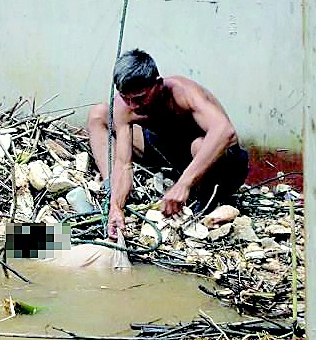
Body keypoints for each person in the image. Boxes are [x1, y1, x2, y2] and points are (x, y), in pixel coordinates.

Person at [87, 49, 249, 240]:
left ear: (158, 85)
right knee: (99, 113)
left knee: (198, 145)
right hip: (167, 151)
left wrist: (184, 184)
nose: (133, 106)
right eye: (126, 98)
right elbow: (124, 164)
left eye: (140, 98)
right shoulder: (125, 107)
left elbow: (225, 132)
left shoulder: (182, 92)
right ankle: (110, 190)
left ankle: (204, 203)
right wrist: (116, 207)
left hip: (219, 164)